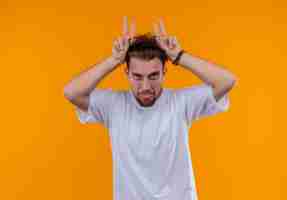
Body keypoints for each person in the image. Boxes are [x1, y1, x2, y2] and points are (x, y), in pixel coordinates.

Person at [63, 16, 236, 200]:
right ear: (127, 72)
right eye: (137, 77)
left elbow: (226, 81)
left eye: (153, 76)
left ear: (164, 72)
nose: (145, 87)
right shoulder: (113, 106)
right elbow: (72, 92)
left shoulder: (181, 103)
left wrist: (179, 56)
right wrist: (113, 60)